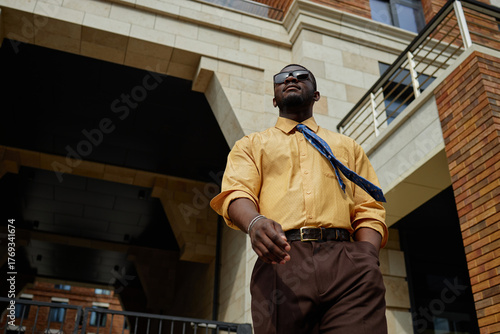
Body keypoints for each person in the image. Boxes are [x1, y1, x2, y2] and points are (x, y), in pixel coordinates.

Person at [210, 64, 388, 334]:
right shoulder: (250, 145)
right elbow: (236, 192)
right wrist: (255, 222)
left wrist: (366, 257)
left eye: (301, 76)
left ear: (316, 95)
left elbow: (369, 209)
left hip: (348, 264)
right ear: (274, 99)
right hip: (281, 263)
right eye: (282, 78)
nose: (291, 78)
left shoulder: (347, 147)